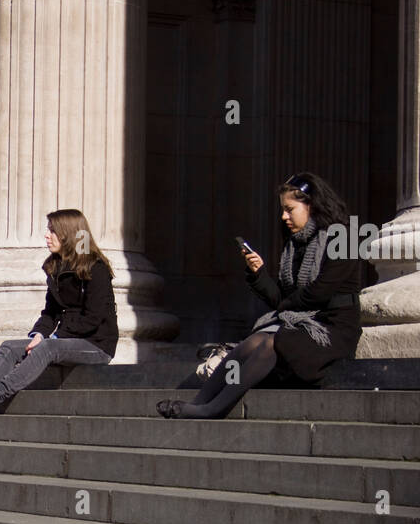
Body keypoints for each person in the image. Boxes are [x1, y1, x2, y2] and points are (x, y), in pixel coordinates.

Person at [157, 172, 370, 419]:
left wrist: (284, 307)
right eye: (283, 210)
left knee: (271, 342)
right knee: (253, 341)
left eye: (290, 209)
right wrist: (259, 274)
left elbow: (320, 292)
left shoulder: (344, 236)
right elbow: (281, 299)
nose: (284, 216)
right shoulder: (295, 245)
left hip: (332, 329)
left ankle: (213, 409)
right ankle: (200, 400)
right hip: (301, 324)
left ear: (311, 204)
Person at [0, 209, 117, 415]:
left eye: (52, 230)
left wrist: (54, 337)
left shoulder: (95, 268)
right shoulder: (55, 268)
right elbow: (50, 312)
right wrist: (39, 334)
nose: (47, 235)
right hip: (65, 340)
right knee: (10, 347)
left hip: (97, 345)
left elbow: (94, 317)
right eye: (48, 230)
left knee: (47, 348)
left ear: (69, 234)